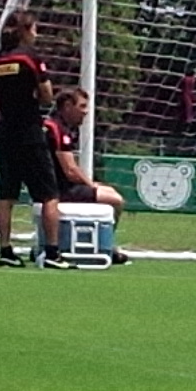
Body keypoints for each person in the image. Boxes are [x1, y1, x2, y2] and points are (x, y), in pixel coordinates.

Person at [0, 12, 70, 269]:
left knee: (7, 194)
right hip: (29, 131)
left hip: (5, 132)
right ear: (26, 30)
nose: (36, 34)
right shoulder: (30, 57)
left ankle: (5, 250)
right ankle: (52, 253)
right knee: (48, 194)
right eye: (35, 29)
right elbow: (47, 97)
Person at [45, 87, 130, 264]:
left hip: (55, 187)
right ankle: (105, 245)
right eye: (82, 106)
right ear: (68, 106)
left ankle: (104, 243)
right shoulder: (58, 129)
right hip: (61, 191)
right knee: (116, 200)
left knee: (109, 191)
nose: (86, 111)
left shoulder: (56, 127)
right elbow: (70, 170)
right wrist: (91, 185)